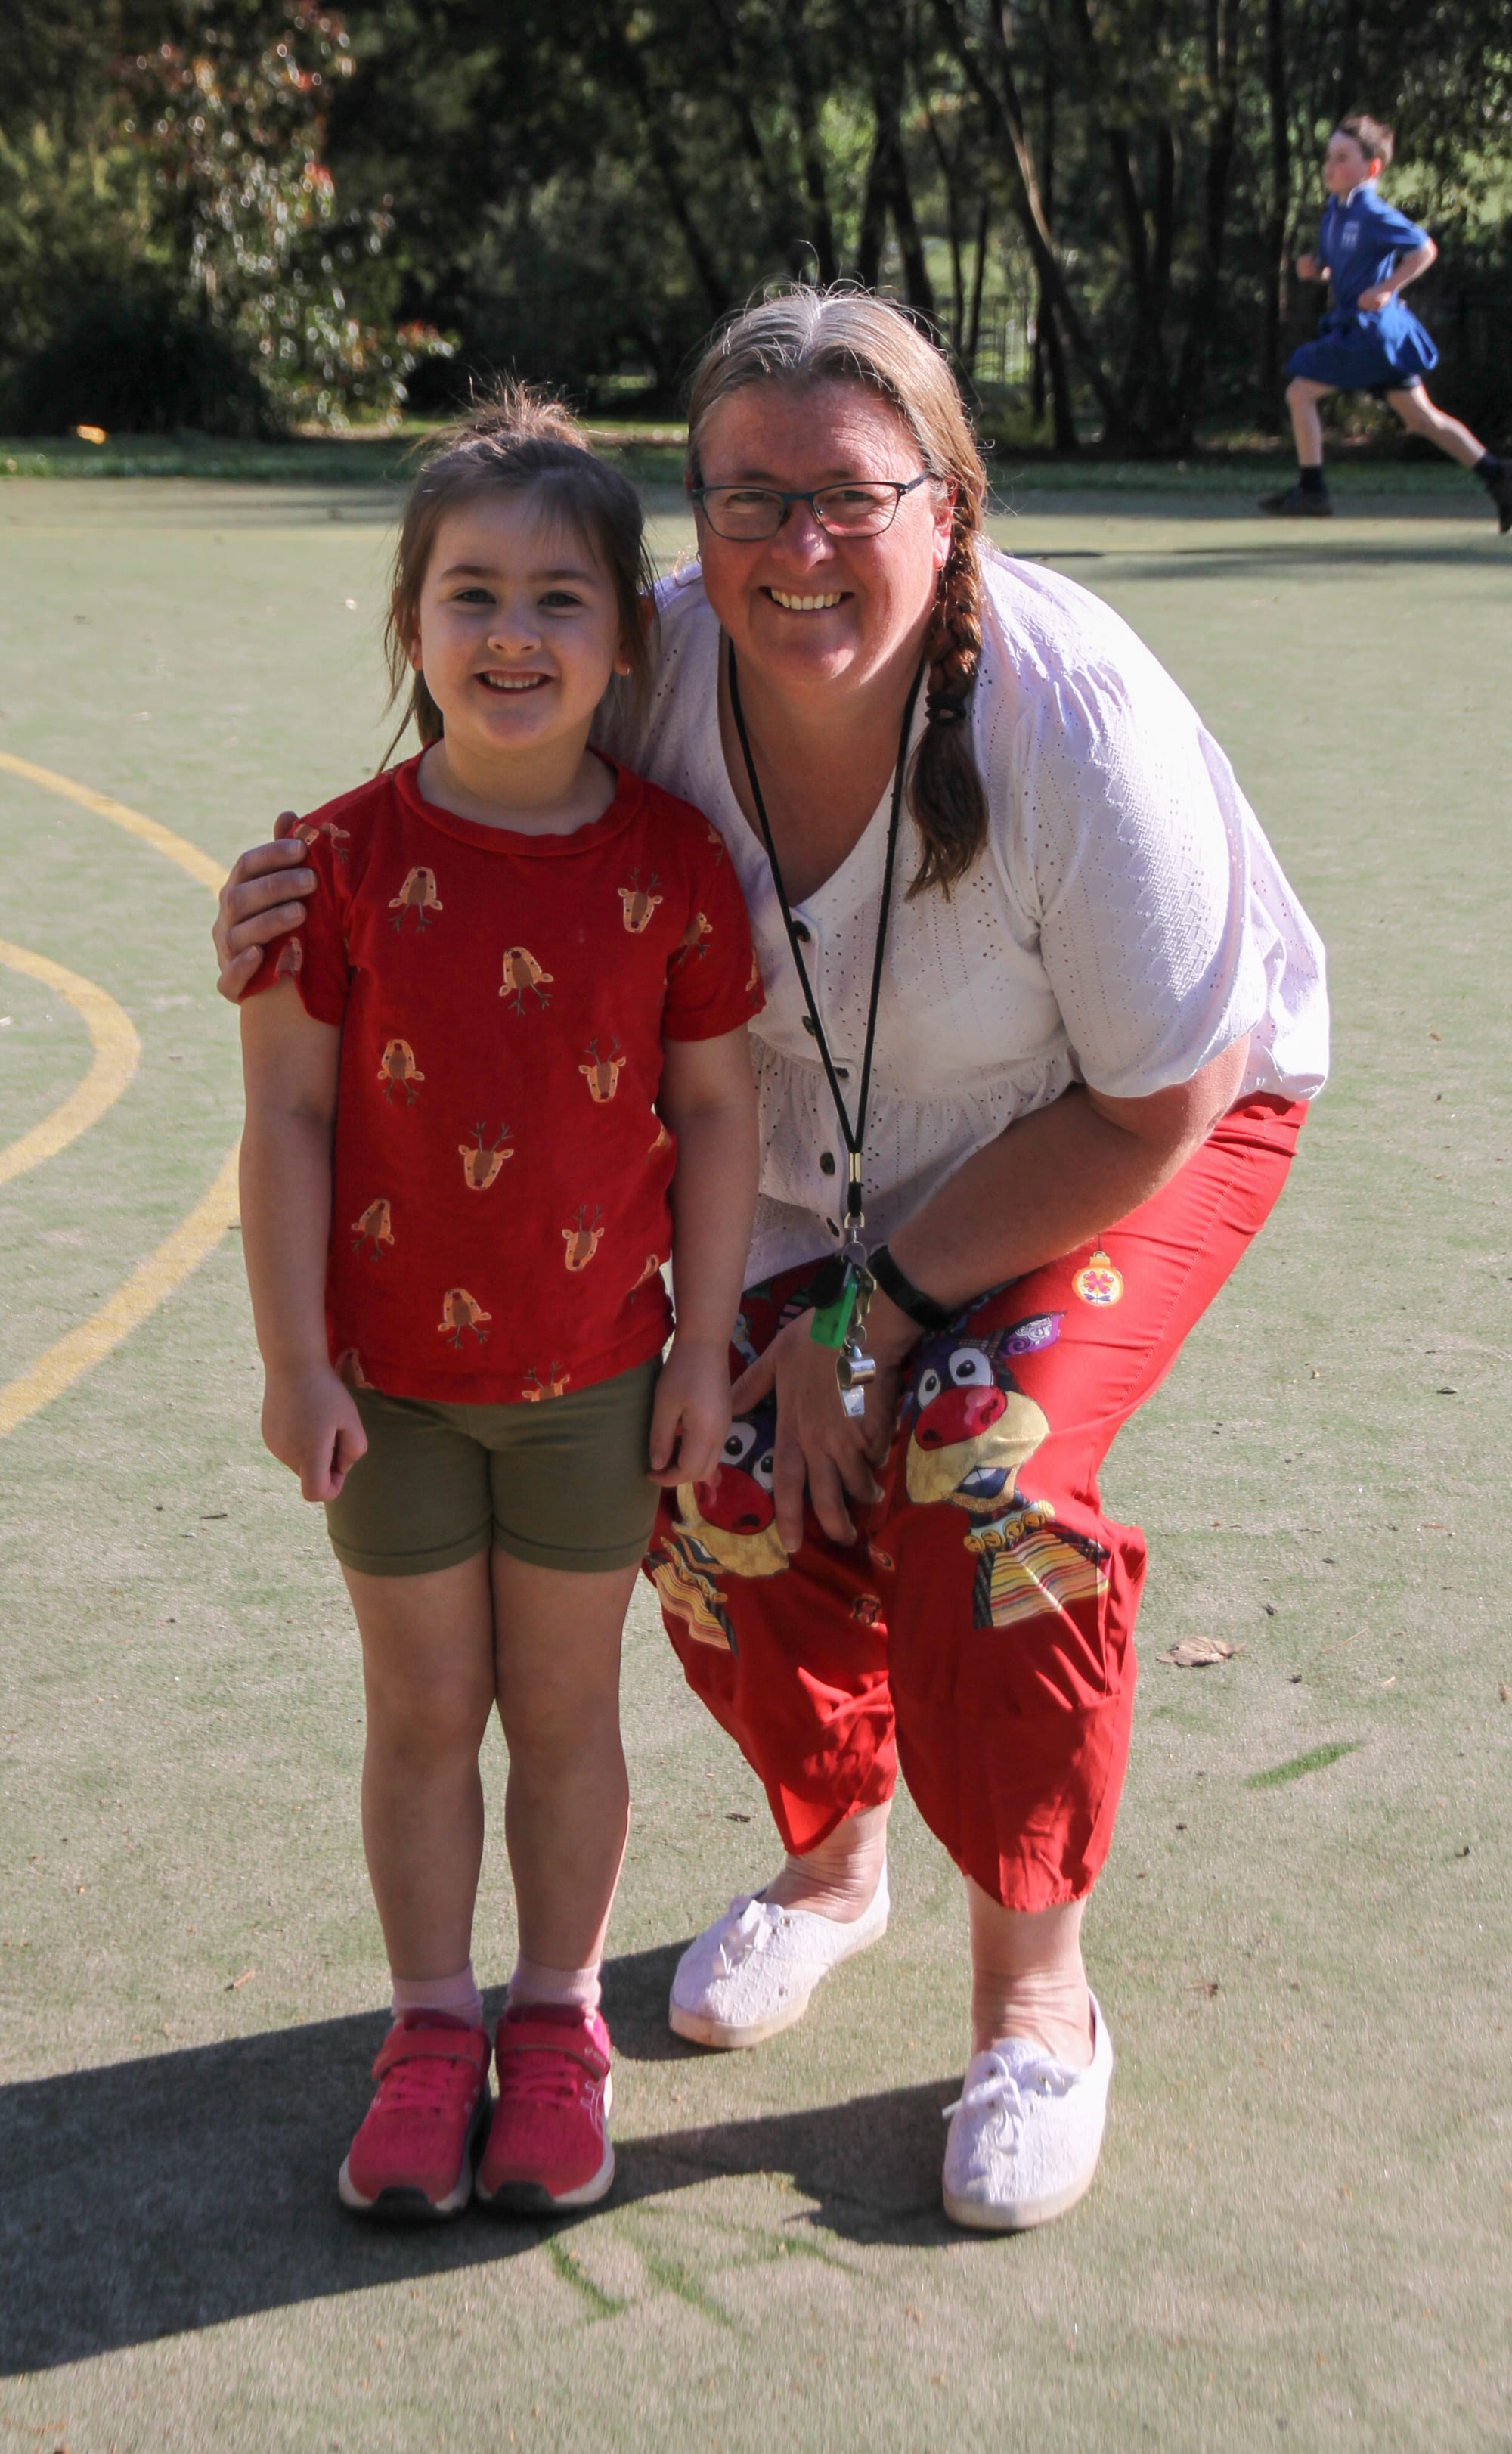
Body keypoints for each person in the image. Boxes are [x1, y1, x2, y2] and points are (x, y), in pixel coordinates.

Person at [216, 289, 1328, 2234]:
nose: (793, 550)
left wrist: (872, 1318)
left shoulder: (1066, 714)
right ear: (688, 523)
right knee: (699, 1457)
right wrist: (282, 889)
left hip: (1120, 1119)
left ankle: (1032, 1995)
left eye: (845, 496)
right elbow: (476, 793)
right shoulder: (651, 658)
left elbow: (1163, 1095)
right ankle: (830, 1862)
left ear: (947, 505)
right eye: (743, 501)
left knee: (974, 1459)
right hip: (819, 1154)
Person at [235, 389, 761, 2221]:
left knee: (562, 1707)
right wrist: (295, 1357)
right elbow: (288, 1111)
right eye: (470, 592)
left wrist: (699, 1353)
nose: (512, 632)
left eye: (557, 597)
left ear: (626, 638)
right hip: (390, 1387)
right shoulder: (331, 868)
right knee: (417, 1710)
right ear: (411, 626)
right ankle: (423, 2026)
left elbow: (712, 1114)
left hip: (596, 1385)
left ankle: (553, 2022)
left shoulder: (674, 869)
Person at [1260, 113, 1512, 526]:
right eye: (1329, 157)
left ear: (1372, 168)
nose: (1331, 166)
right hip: (1369, 334)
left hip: (1373, 334)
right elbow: (1338, 266)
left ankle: (1312, 490)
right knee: (1420, 418)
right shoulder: (1334, 213)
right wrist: (1316, 270)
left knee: (1300, 393)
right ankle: (1498, 474)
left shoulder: (1372, 212)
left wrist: (1388, 288)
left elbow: (1424, 250)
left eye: (1342, 158)